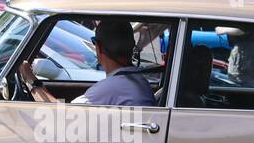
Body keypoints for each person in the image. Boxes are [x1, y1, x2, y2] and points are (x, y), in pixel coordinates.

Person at [18, 19, 153, 106]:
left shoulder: (112, 88)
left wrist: (31, 81)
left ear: (98, 47)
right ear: (132, 46)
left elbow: (60, 116)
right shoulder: (138, 81)